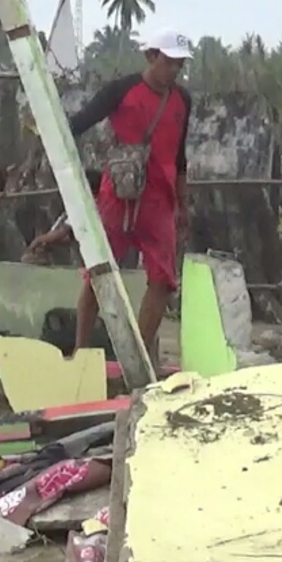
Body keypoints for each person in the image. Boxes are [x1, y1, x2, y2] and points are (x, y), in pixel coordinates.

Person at [68, 27, 193, 363]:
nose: (175, 70)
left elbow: (180, 156)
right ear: (152, 57)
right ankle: (81, 351)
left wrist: (183, 204)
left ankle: (136, 357)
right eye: (169, 62)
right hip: (118, 194)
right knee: (99, 272)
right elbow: (78, 123)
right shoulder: (121, 91)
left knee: (163, 280)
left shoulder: (182, 100)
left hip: (159, 199)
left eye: (179, 64)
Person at [22, 170, 103, 264]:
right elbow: (69, 237)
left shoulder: (87, 206)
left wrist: (39, 240)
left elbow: (62, 232)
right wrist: (49, 241)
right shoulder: (97, 203)